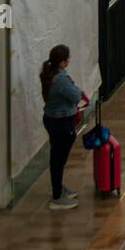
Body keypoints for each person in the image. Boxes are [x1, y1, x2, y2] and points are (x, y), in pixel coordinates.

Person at [40, 45, 87, 210]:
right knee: (58, 158)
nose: (69, 61)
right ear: (62, 62)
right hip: (61, 123)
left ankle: (58, 188)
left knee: (58, 157)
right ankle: (57, 197)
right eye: (67, 59)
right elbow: (74, 96)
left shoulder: (52, 74)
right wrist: (79, 92)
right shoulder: (60, 79)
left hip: (53, 120)